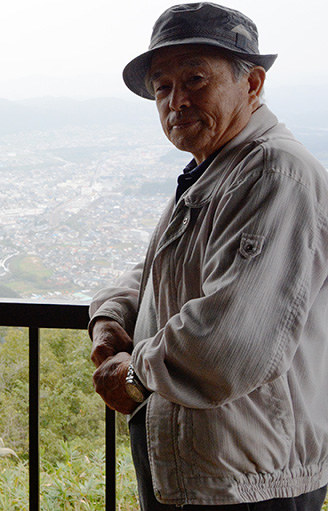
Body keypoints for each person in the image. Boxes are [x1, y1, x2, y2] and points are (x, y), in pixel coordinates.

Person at [89, 3, 328, 510]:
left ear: (253, 83)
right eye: (162, 87)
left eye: (195, 79)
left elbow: (232, 340)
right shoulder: (216, 167)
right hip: (211, 466)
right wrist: (112, 313)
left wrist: (135, 376)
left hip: (249, 477)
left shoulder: (272, 174)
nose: (176, 101)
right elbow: (163, 267)